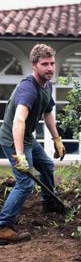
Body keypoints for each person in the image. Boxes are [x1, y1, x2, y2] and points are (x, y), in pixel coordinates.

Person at [0, 44, 66, 244]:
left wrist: (56, 139)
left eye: (52, 63)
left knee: (46, 165)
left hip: (27, 138)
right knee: (25, 183)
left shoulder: (48, 85)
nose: (50, 68)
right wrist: (19, 155)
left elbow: (47, 112)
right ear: (34, 65)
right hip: (14, 140)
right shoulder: (28, 88)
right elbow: (18, 120)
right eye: (44, 64)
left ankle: (48, 201)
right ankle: (4, 226)